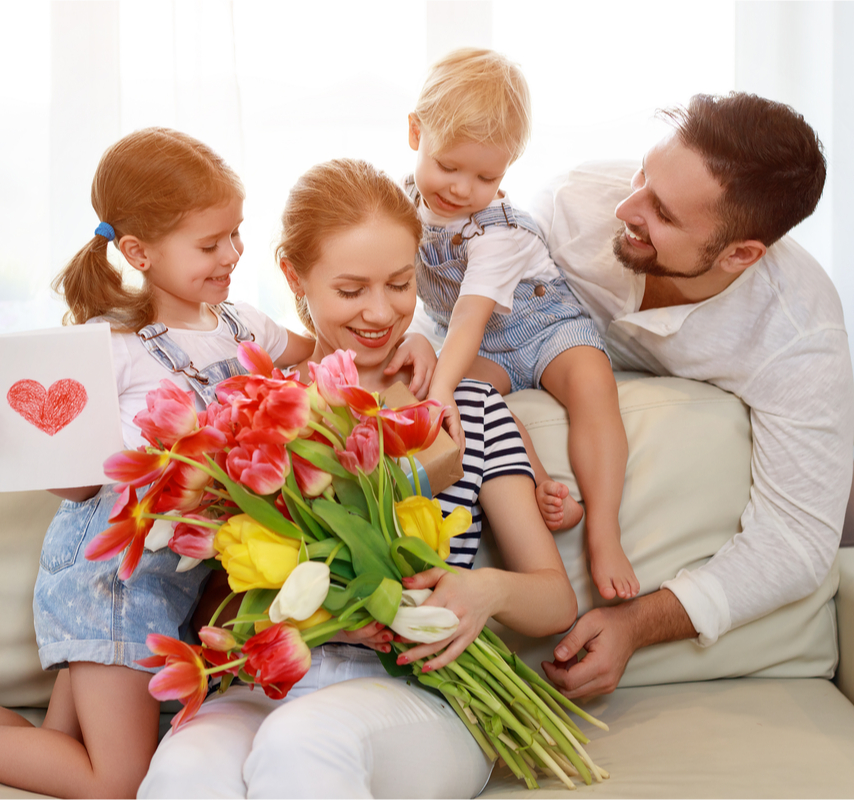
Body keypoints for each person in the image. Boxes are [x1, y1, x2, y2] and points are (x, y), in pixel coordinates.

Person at [0, 129, 432, 797]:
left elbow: (329, 360)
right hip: (113, 578)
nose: (232, 254)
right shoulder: (110, 346)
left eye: (235, 234)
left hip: (171, 580)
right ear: (139, 252)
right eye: (209, 244)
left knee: (59, 746)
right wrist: (7, 440)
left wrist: (414, 339)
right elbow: (79, 487)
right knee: (117, 780)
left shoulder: (243, 325)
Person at [136, 158, 577, 799]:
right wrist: (311, 613)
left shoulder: (468, 410)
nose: (381, 312)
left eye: (400, 284)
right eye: (351, 290)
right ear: (295, 276)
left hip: (420, 692)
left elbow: (554, 601)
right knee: (185, 764)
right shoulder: (250, 415)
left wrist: (483, 592)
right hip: (273, 679)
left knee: (305, 740)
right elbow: (212, 603)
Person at [531, 92, 854, 698]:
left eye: (663, 211)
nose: (627, 208)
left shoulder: (800, 331)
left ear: (740, 255)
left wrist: (637, 623)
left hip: (797, 427)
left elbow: (797, 541)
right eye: (642, 176)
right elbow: (460, 317)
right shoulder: (571, 210)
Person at [406, 48, 636, 601]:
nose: (463, 189)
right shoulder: (400, 206)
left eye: (487, 175)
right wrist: (426, 354)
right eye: (448, 165)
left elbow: (466, 317)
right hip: (486, 345)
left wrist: (434, 393)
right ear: (415, 133)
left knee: (590, 384)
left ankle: (603, 529)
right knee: (472, 399)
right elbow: (399, 288)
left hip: (546, 326)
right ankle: (542, 485)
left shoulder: (498, 231)